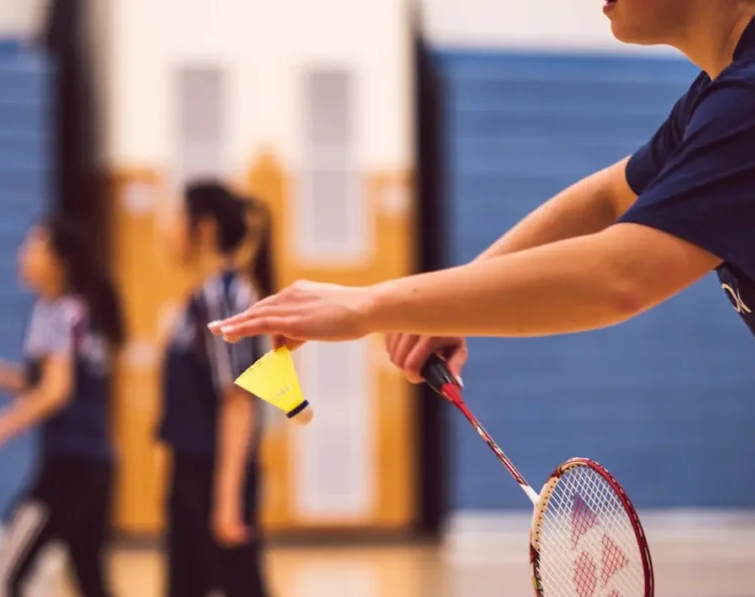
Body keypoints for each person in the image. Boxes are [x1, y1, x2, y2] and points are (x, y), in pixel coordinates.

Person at [210, 1, 755, 382]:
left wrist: (368, 304)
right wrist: (445, 309)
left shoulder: (746, 99)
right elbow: (610, 198)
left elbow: (622, 276)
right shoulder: (716, 95)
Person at [0, 218, 143, 597]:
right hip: (96, 466)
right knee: (90, 581)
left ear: (59, 260)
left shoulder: (62, 311)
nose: (23, 254)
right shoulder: (75, 311)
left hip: (69, 472)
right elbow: (41, 383)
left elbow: (55, 392)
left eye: (32, 246)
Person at [156, 180, 296, 597]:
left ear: (204, 228)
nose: (166, 229)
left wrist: (227, 497)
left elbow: (237, 400)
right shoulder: (202, 297)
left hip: (214, 477)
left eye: (176, 217)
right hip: (189, 474)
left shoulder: (225, 295)